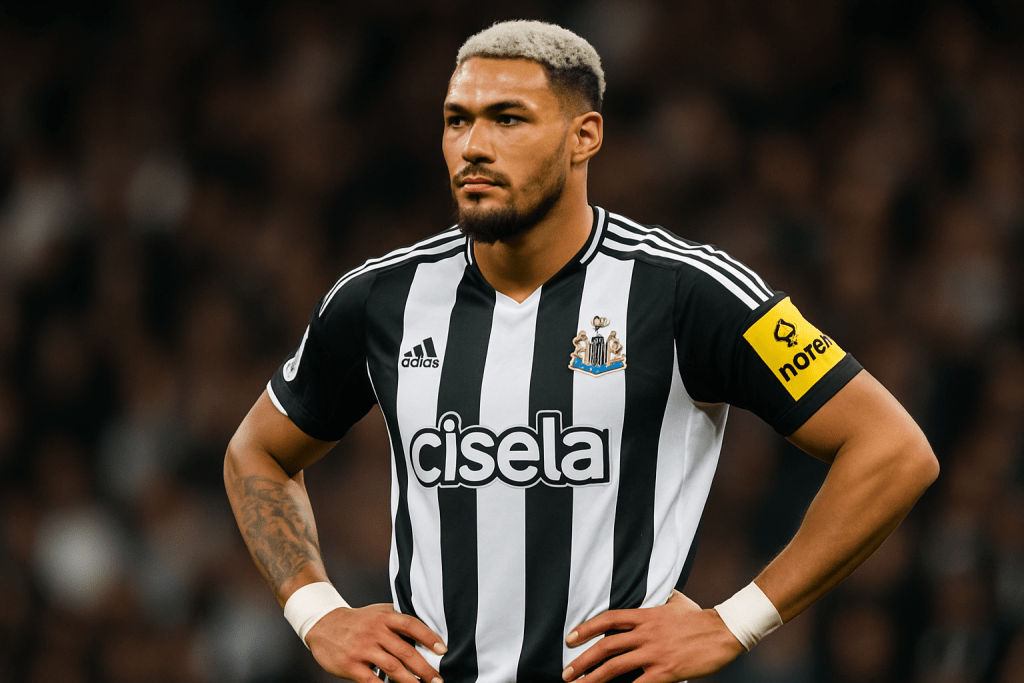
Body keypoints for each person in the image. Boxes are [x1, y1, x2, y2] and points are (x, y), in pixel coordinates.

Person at [224, 19, 939, 683]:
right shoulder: (380, 299)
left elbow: (893, 450)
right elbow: (256, 453)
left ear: (584, 136)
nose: (473, 146)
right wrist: (317, 611)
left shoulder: (687, 292)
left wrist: (735, 621)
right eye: (457, 120)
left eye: (508, 118)